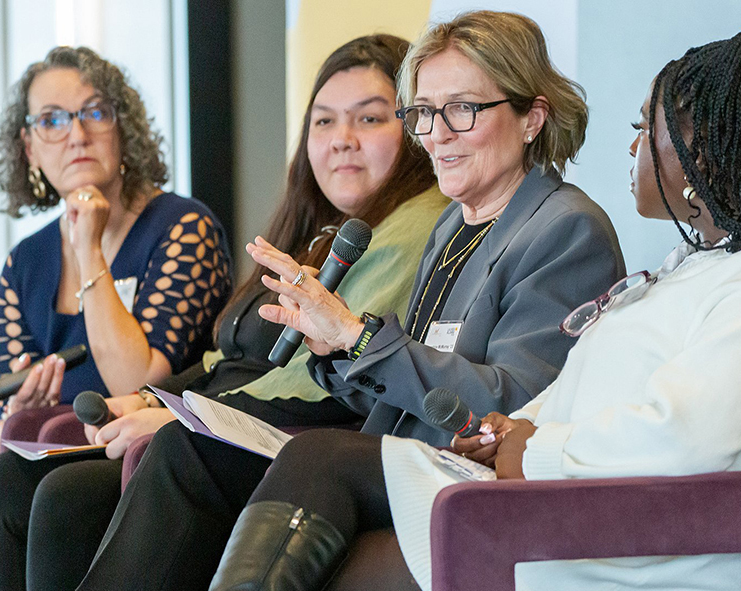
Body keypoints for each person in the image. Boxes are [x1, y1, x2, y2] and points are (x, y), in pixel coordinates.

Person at [209, 24, 741, 591]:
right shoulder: (714, 264)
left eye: (645, 130)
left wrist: (533, 447)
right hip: (554, 501)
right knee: (309, 484)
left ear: (710, 144)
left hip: (611, 536)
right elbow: (581, 392)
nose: (632, 147)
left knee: (321, 467)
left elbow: (679, 436)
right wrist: (510, 428)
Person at [75, 11, 625, 591]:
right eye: (425, 113)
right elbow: (407, 375)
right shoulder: (452, 227)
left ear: (531, 117)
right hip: (397, 451)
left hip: (466, 468)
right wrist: (331, 348)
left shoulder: (566, 228)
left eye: (462, 109)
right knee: (190, 453)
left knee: (285, 457)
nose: (437, 134)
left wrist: (357, 336)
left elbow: (512, 402)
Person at [0, 34, 448, 591]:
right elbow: (220, 355)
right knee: (9, 475)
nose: (341, 140)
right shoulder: (313, 229)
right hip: (211, 413)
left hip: (277, 430)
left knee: (69, 493)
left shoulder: (409, 226)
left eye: (368, 120)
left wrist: (184, 413)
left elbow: (316, 380)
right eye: (323, 122)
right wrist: (157, 401)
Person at [0, 46, 232, 591]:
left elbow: (138, 379)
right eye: (52, 120)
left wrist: (89, 249)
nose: (77, 135)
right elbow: (6, 411)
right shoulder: (26, 260)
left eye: (94, 112)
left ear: (122, 126)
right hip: (36, 457)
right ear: (29, 146)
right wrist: (20, 407)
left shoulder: (183, 227)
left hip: (132, 454)